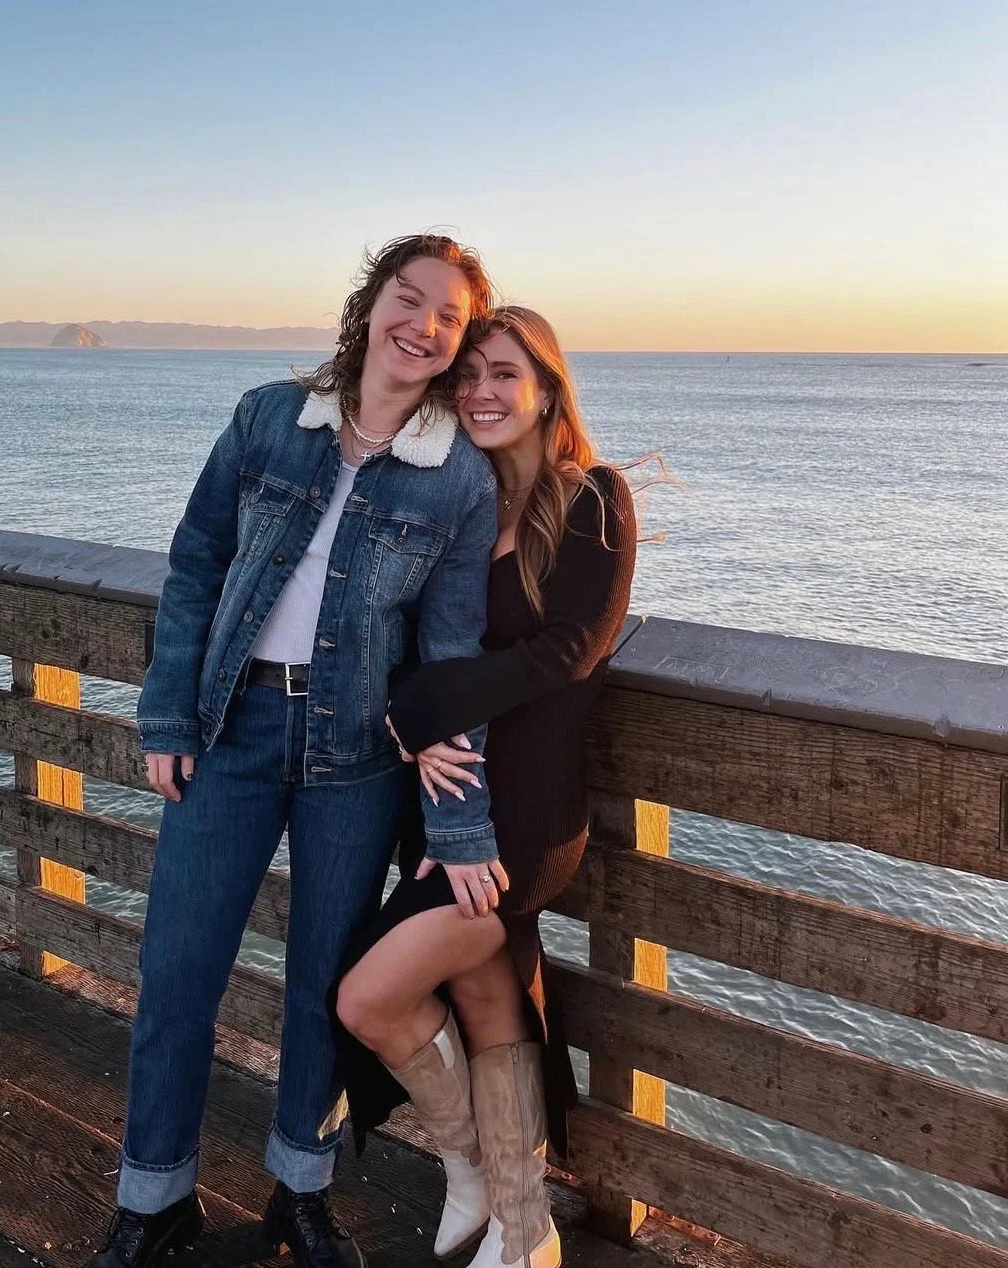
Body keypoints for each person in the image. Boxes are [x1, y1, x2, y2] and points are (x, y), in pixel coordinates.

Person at [89, 235, 503, 1268]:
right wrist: (167, 718)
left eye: (447, 316)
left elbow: (454, 654)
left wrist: (459, 822)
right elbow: (194, 563)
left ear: (455, 342)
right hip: (230, 731)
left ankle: (301, 1191)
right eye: (411, 298)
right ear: (372, 304)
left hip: (358, 754)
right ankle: (154, 1199)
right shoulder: (269, 416)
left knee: (324, 983)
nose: (424, 324)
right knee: (178, 969)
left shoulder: (458, 477)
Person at [336, 307, 640, 1268]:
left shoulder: (591, 498)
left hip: (529, 825)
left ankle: (474, 1176)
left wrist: (422, 707)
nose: (481, 392)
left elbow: (569, 651)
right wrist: (413, 721)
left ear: (547, 388)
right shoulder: (460, 505)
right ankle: (518, 1221)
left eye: (505, 373)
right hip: (448, 814)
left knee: (368, 1000)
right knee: (488, 997)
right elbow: (399, 641)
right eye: (468, 375)